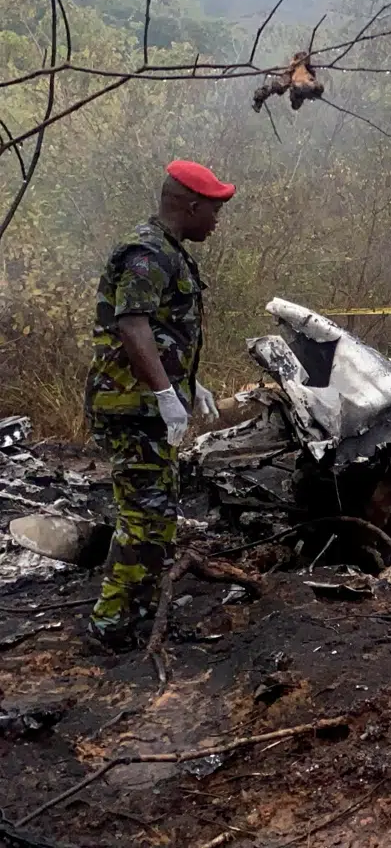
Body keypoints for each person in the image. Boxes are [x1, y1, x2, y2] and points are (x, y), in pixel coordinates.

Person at [84, 160, 233, 650]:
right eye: (213, 209)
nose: (217, 221)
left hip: (147, 405)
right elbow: (132, 325)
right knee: (144, 520)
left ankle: (142, 617)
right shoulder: (146, 252)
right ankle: (110, 626)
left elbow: (164, 332)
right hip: (133, 407)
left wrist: (191, 383)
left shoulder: (168, 251)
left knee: (158, 516)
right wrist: (166, 394)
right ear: (190, 205)